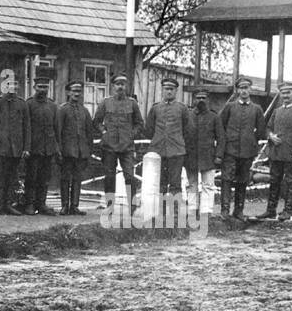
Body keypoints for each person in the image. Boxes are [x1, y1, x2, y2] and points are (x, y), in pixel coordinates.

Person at [260, 82, 292, 221]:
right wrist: (271, 136)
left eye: (288, 93)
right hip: (276, 154)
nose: (286, 96)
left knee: (291, 182)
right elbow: (268, 128)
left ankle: (288, 210)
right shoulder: (277, 111)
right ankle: (270, 210)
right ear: (280, 95)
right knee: (274, 181)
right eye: (283, 93)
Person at [93, 73, 144, 209]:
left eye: (123, 84)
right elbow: (97, 121)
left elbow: (139, 123)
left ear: (126, 86)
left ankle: (132, 206)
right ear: (113, 86)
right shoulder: (106, 102)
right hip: (109, 147)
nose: (120, 87)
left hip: (127, 147)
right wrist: (104, 132)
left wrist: (131, 135)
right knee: (109, 177)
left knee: (129, 176)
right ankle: (109, 206)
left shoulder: (132, 103)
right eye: (118, 84)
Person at [218, 77, 266, 219]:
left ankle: (239, 211)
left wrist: (250, 140)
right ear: (237, 90)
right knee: (226, 179)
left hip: (247, 152)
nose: (244, 91)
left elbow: (261, 131)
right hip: (230, 150)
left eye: (246, 88)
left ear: (250, 90)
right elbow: (220, 126)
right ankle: (225, 210)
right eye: (241, 88)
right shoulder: (230, 107)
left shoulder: (257, 109)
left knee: (243, 180)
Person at [144, 77, 193, 217]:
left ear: (176, 91)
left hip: (176, 151)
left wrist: (180, 143)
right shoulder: (155, 108)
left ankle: (174, 213)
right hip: (158, 150)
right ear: (162, 90)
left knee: (175, 183)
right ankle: (161, 211)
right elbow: (149, 129)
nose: (169, 91)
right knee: (160, 183)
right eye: (166, 88)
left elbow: (187, 130)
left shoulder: (182, 109)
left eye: (172, 89)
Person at [0, 75, 30, 215]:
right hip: (0, 147)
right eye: (10, 84)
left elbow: (27, 127)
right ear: (4, 86)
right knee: (0, 175)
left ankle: (9, 204)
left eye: (15, 85)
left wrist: (26, 148)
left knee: (13, 176)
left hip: (16, 148)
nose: (13, 88)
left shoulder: (22, 104)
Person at [57, 80, 95, 215]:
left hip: (81, 151)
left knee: (77, 179)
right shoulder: (62, 109)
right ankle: (64, 206)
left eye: (79, 91)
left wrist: (88, 150)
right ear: (68, 92)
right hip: (67, 151)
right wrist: (59, 150)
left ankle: (74, 206)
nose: (77, 94)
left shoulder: (85, 111)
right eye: (74, 91)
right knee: (65, 178)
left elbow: (89, 133)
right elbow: (59, 131)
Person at [184, 89, 223, 218]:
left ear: (208, 100)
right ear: (194, 100)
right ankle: (192, 208)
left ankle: (206, 210)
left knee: (208, 185)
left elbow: (221, 138)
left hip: (208, 156)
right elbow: (183, 136)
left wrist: (218, 155)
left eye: (204, 98)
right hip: (190, 156)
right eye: (198, 98)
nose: (201, 100)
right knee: (191, 184)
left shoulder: (214, 117)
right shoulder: (188, 116)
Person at [25, 81, 61, 215]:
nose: (42, 89)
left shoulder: (52, 106)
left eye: (45, 86)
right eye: (40, 87)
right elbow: (26, 127)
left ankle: (41, 204)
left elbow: (56, 129)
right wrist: (26, 148)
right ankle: (29, 204)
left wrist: (57, 148)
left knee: (45, 178)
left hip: (48, 148)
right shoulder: (28, 104)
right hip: (34, 148)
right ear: (34, 87)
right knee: (31, 177)